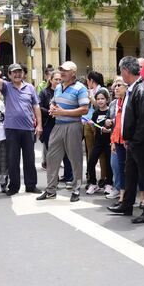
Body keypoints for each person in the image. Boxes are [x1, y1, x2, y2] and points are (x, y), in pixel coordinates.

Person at [107, 56, 144, 224]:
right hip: (133, 142)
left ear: (126, 71)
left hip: (140, 142)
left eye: (121, 71)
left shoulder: (141, 90)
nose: (121, 74)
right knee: (130, 174)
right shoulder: (134, 89)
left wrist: (135, 141)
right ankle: (127, 205)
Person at [0, 54, 42, 195]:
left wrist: (39, 125)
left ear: (23, 74)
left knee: (29, 160)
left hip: (28, 129)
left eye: (19, 72)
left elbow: (36, 106)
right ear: (9, 75)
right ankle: (14, 187)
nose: (17, 74)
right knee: (13, 160)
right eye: (14, 72)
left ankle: (31, 185)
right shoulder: (6, 87)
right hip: (12, 129)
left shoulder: (30, 88)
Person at [37, 61, 89, 202]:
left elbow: (84, 109)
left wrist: (63, 111)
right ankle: (50, 190)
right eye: (61, 70)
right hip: (58, 125)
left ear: (73, 72)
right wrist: (52, 107)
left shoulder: (81, 88)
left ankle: (76, 189)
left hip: (73, 126)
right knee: (51, 158)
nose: (62, 72)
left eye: (65, 70)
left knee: (75, 159)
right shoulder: (59, 86)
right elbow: (53, 101)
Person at [38, 70, 74, 188]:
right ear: (50, 80)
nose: (58, 82)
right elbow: (38, 107)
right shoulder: (44, 92)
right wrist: (50, 111)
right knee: (52, 154)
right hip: (49, 125)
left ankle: (69, 178)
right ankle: (54, 181)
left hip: (64, 124)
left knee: (67, 152)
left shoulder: (66, 91)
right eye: (56, 79)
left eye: (60, 79)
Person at [84, 70, 109, 187]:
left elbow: (100, 106)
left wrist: (92, 99)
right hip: (89, 122)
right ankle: (90, 177)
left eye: (87, 80)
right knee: (91, 151)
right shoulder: (89, 91)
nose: (87, 82)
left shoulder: (102, 90)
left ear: (91, 81)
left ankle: (104, 178)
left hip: (101, 126)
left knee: (102, 153)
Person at [86, 89, 113, 194]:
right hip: (98, 141)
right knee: (91, 161)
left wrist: (109, 129)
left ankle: (109, 184)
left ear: (107, 100)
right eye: (98, 99)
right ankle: (93, 184)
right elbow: (95, 129)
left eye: (102, 98)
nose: (100, 101)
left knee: (109, 163)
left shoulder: (110, 111)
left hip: (109, 142)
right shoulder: (96, 112)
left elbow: (113, 126)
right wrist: (92, 125)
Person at [106, 77, 127, 200]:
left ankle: (125, 193)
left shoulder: (129, 101)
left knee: (126, 168)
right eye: (115, 85)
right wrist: (108, 122)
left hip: (126, 140)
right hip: (115, 138)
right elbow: (111, 119)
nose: (116, 87)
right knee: (115, 165)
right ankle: (118, 189)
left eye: (119, 85)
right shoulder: (114, 103)